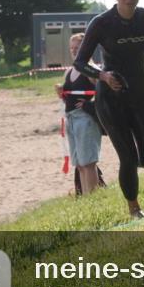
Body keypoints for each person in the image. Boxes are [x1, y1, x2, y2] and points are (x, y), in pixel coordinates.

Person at [73, 0, 144, 220]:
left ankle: (130, 173)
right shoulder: (102, 23)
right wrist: (103, 76)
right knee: (128, 157)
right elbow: (79, 62)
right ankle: (134, 208)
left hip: (140, 91)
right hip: (111, 95)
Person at [56, 33, 103, 197]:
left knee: (88, 163)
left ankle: (94, 200)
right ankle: (85, 198)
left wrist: (89, 105)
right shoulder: (69, 71)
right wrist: (60, 92)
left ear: (86, 49)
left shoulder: (92, 69)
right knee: (80, 164)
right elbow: (66, 98)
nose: (74, 51)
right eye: (72, 48)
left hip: (85, 120)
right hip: (71, 119)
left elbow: (105, 95)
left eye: (78, 48)